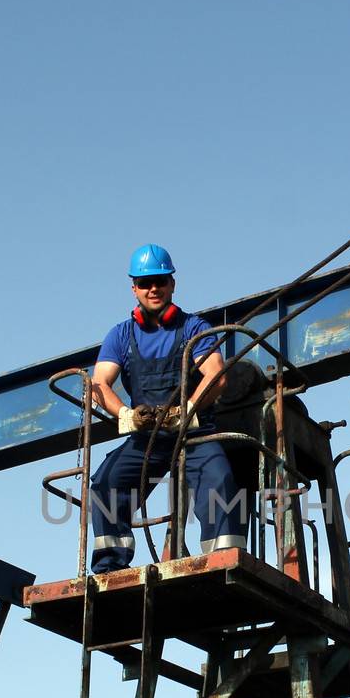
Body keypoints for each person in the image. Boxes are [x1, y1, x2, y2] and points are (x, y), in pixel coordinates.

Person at [86, 244, 247, 573]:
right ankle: (110, 568)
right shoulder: (120, 335)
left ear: (172, 284)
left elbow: (216, 376)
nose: (153, 289)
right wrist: (126, 416)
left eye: (160, 281)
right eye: (145, 283)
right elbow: (98, 385)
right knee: (106, 483)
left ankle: (224, 564)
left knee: (220, 480)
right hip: (148, 437)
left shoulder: (193, 328)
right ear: (134, 289)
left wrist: (185, 410)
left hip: (193, 433)